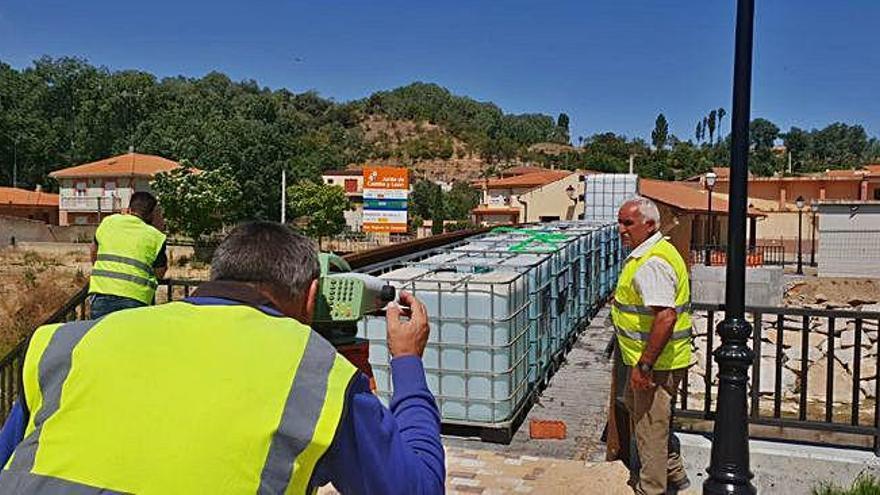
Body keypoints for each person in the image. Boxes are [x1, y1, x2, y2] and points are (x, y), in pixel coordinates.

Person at [0, 221, 445, 494]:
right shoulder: (315, 374)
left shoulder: (66, 343)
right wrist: (407, 362)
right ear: (313, 296)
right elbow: (418, 487)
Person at [612, 197, 692, 495]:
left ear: (649, 225)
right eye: (620, 222)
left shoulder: (652, 263)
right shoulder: (656, 252)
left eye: (627, 223)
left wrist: (644, 366)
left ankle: (651, 489)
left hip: (655, 367)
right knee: (643, 415)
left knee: (650, 432)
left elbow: (665, 318)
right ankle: (676, 475)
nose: (621, 229)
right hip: (657, 362)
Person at [88, 191, 168, 319]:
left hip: (102, 292)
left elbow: (94, 253)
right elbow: (159, 272)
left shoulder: (108, 222)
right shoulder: (155, 236)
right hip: (136, 298)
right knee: (131, 338)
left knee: (102, 337)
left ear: (129, 209)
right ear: (152, 214)